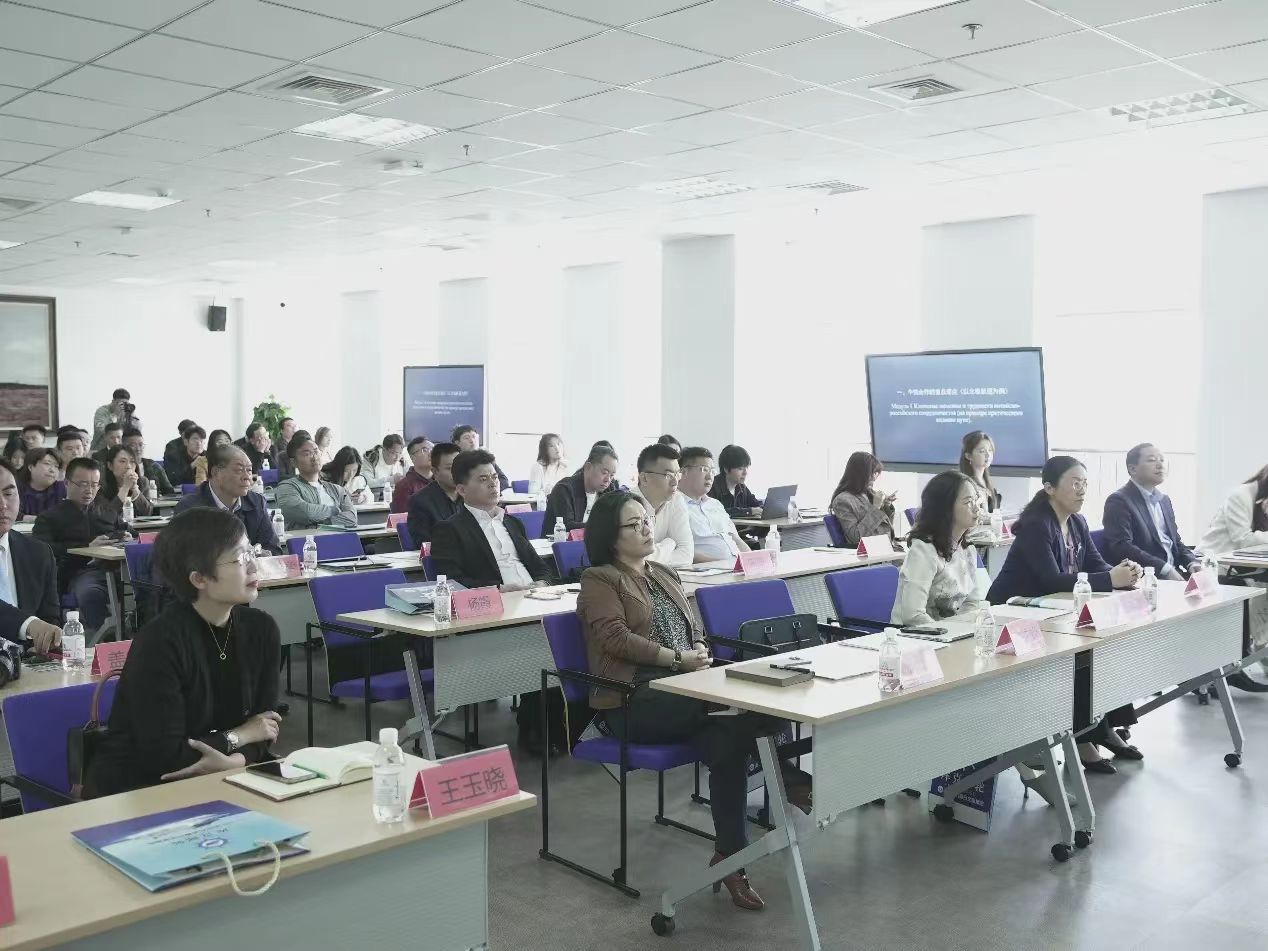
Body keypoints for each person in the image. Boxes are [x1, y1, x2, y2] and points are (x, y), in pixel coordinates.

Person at [577, 490, 811, 910]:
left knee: (729, 739)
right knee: (741, 707)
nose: (646, 528)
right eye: (634, 524)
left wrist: (698, 648)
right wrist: (676, 659)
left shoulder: (664, 572)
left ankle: (730, 859)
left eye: (647, 520)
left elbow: (693, 626)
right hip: (634, 699)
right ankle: (791, 778)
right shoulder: (600, 579)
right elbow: (614, 638)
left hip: (687, 687)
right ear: (611, 536)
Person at [83, 507, 282, 798]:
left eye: (252, 552)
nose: (254, 567)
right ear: (199, 579)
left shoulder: (262, 629)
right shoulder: (159, 642)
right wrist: (242, 735)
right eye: (240, 559)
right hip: (141, 790)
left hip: (229, 778)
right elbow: (167, 757)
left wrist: (236, 761)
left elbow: (267, 726)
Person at [986, 455, 1143, 773]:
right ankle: (1084, 740)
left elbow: (1096, 565)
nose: (1082, 489)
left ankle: (1106, 729)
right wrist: (1110, 579)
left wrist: (1123, 571)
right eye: (1074, 482)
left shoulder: (1077, 522)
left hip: (1052, 616)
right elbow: (1051, 580)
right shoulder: (1036, 525)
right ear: (1050, 488)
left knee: (1105, 649)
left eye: (1084, 483)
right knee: (1081, 660)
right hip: (1013, 618)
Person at [32, 458, 132, 633]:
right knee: (90, 594)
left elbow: (129, 531)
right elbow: (42, 550)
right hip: (80, 572)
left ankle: (138, 633)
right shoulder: (50, 518)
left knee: (151, 585)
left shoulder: (105, 511)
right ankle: (105, 638)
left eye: (94, 485)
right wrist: (87, 547)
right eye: (83, 484)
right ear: (66, 483)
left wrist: (128, 537)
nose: (89, 490)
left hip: (119, 569)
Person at [431, 449, 549, 591]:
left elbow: (541, 568)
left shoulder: (513, 523)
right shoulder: (449, 529)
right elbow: (453, 581)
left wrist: (543, 583)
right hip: (496, 600)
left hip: (534, 594)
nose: (493, 484)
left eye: (495, 477)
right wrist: (499, 590)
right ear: (462, 490)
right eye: (483, 479)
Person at [1201, 464, 1268, 689]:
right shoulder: (1241, 495)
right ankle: (1247, 657)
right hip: (1216, 566)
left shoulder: (1262, 499)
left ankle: (1259, 651)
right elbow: (1243, 539)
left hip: (1244, 566)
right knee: (1256, 591)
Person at [891, 472, 986, 625]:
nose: (976, 508)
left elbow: (972, 603)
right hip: (915, 635)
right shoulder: (923, 550)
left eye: (976, 500)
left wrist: (963, 628)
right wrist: (950, 633)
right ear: (945, 508)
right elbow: (913, 616)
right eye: (968, 502)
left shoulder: (968, 549)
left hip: (949, 634)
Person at [1102, 443, 1196, 582]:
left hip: (1175, 573)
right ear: (1133, 469)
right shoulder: (1118, 501)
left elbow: (1175, 541)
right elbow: (1122, 547)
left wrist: (1192, 563)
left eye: (1162, 460)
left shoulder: (1164, 500)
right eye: (1152, 460)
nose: (1160, 465)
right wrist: (1164, 569)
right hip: (1148, 579)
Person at [0, 461, 62, 653]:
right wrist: (29, 625)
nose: (3, 505)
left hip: (24, 664)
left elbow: (49, 617)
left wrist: (44, 643)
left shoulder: (38, 552)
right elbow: (34, 624)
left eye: (9, 494)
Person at [176, 445, 283, 554]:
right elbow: (187, 556)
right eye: (239, 470)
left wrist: (263, 555)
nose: (247, 477)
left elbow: (274, 549)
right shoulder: (190, 508)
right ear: (215, 473)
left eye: (249, 470)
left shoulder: (256, 502)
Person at [679, 447, 750, 562]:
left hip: (735, 567)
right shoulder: (674, 506)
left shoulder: (715, 504)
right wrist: (723, 564)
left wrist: (752, 561)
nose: (710, 476)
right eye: (704, 470)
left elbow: (737, 540)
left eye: (712, 471)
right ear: (683, 472)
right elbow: (681, 551)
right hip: (709, 570)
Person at [628, 443, 693, 568]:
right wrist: (669, 543)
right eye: (668, 475)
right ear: (644, 478)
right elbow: (635, 559)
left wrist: (653, 554)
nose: (675, 482)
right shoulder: (628, 505)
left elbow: (687, 555)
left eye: (677, 474)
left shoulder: (677, 499)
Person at [275, 433, 357, 530]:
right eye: (307, 454)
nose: (315, 457)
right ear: (293, 462)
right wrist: (334, 510)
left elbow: (352, 518)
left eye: (316, 451)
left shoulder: (337, 489)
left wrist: (318, 524)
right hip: (306, 539)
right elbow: (305, 512)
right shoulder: (286, 487)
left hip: (338, 538)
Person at [540, 445, 618, 537]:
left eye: (612, 475)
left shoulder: (609, 491)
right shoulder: (564, 489)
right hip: (558, 544)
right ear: (588, 467)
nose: (607, 480)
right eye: (604, 473)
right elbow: (567, 527)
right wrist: (603, 526)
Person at [830, 452, 896, 548]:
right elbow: (856, 537)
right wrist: (876, 507)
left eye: (876, 473)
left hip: (885, 547)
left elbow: (885, 527)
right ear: (860, 473)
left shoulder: (868, 493)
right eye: (873, 473)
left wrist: (886, 505)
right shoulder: (842, 500)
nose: (875, 477)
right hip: (869, 552)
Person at [406, 442, 462, 545]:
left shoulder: (472, 496)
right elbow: (423, 543)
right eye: (450, 468)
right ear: (435, 471)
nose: (457, 472)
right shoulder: (420, 502)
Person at [95, 445, 155, 521]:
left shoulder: (143, 482)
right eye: (123, 461)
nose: (129, 466)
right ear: (110, 465)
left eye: (132, 461)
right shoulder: (100, 485)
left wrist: (135, 489)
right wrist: (125, 487)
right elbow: (106, 516)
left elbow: (147, 513)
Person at [709, 445, 763, 516]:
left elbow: (756, 504)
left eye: (746, 467)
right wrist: (748, 511)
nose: (745, 473)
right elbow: (715, 512)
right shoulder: (712, 487)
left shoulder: (741, 487)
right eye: (740, 468)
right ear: (726, 469)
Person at [452, 425, 509, 491]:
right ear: (457, 443)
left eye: (474, 436)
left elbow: (504, 481)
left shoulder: (486, 459)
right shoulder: (453, 461)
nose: (472, 440)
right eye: (467, 438)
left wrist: (488, 491)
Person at [123, 427, 174, 496]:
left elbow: (169, 492)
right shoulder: (119, 467)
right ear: (123, 446)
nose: (138, 449)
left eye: (140, 445)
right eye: (133, 445)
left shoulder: (154, 467)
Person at [959, 431, 1002, 513]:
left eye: (990, 450)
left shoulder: (988, 484)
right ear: (968, 456)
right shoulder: (965, 486)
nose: (988, 455)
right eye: (982, 451)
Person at [17, 448, 66, 519]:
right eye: (47, 464)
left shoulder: (62, 488)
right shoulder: (16, 488)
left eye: (56, 466)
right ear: (31, 467)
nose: (52, 470)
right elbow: (10, 513)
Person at [391, 437, 434, 513]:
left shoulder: (442, 481)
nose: (431, 453)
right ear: (412, 458)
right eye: (425, 450)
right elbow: (401, 518)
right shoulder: (404, 486)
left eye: (432, 449)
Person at [91, 387, 140, 452]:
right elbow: (102, 430)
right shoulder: (102, 411)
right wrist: (116, 415)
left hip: (120, 450)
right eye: (120, 403)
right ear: (113, 402)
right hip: (100, 449)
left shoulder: (127, 411)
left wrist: (131, 414)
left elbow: (138, 430)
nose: (122, 406)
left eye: (125, 404)